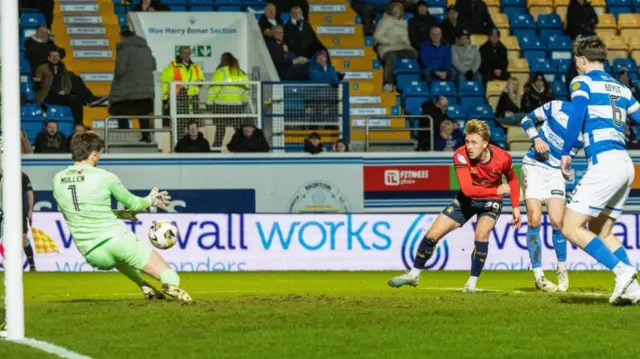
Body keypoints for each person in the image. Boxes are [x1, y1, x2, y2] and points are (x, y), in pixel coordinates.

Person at [52, 132, 192, 302]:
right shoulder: (105, 177)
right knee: (167, 272)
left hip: (91, 252)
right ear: (94, 154)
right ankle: (171, 285)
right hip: (116, 239)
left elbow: (80, 211)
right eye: (99, 155)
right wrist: (150, 200)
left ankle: (143, 284)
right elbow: (134, 203)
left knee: (119, 260)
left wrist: (120, 214)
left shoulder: (57, 179)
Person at [388, 120, 521, 292]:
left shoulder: (503, 157)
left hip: (490, 202)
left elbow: (512, 179)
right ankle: (414, 275)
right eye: (467, 141)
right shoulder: (460, 155)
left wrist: (516, 207)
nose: (469, 146)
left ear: (485, 144)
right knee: (432, 236)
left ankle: (472, 283)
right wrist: (497, 190)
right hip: (468, 199)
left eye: (474, 142)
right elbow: (467, 190)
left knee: (481, 235)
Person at [560, 36, 640, 305]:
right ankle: (634, 289)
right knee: (601, 231)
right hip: (626, 165)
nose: (577, 68)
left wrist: (565, 152)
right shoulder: (622, 88)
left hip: (605, 162)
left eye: (577, 63)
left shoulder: (582, 81)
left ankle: (623, 270)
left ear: (582, 60)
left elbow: (577, 115)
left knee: (570, 227)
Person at [520, 101, 584, 292]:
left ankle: (562, 270)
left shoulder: (586, 129)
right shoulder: (558, 106)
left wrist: (566, 167)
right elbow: (526, 119)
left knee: (557, 221)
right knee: (534, 217)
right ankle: (538, 275)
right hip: (533, 165)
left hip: (555, 172)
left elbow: (569, 154)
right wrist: (536, 138)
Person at [109, 30, 156, 143]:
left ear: (123, 38)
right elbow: (154, 65)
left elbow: (120, 71)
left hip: (130, 87)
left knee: (119, 102)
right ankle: (146, 135)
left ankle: (123, 127)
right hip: (146, 88)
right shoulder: (146, 48)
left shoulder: (124, 49)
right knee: (143, 111)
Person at [206, 52, 250, 147]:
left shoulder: (221, 71)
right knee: (239, 129)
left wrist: (209, 102)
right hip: (237, 106)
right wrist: (244, 102)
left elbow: (214, 88)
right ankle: (245, 147)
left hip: (221, 105)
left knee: (220, 130)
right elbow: (246, 90)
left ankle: (216, 151)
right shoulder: (241, 73)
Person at [373, 2, 417, 92]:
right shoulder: (385, 21)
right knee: (391, 56)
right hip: (387, 46)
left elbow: (406, 37)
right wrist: (389, 42)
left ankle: (410, 79)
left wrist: (407, 44)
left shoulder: (404, 22)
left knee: (414, 54)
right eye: (395, 9)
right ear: (391, 10)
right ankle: (387, 82)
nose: (397, 11)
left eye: (399, 9)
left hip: (401, 47)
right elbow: (377, 36)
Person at [0, 172, 36, 271]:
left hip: (18, 212)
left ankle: (32, 265)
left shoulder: (22, 176)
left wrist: (30, 210)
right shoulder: (1, 175)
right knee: (5, 239)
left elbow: (29, 193)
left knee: (23, 239)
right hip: (3, 211)